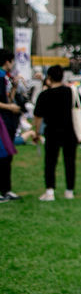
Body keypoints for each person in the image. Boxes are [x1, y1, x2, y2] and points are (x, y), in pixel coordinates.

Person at [30, 64, 77, 201]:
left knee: (50, 161)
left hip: (52, 131)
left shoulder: (44, 95)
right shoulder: (69, 92)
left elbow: (38, 116)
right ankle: (69, 190)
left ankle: (50, 191)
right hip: (68, 130)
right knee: (70, 161)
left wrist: (37, 132)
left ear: (49, 77)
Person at [0, 50, 21, 201]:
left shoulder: (5, 77)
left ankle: (6, 189)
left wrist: (14, 87)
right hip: (3, 121)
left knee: (6, 156)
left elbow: (7, 98)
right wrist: (11, 108)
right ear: (7, 61)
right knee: (3, 155)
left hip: (7, 120)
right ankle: (4, 190)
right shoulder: (1, 76)